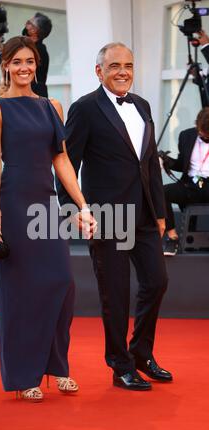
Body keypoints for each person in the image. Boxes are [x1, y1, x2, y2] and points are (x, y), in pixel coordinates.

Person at [0, 36, 97, 402]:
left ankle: (57, 367)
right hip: (14, 201)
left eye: (29, 61)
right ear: (6, 65)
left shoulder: (52, 106)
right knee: (20, 292)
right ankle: (24, 375)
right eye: (16, 62)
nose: (24, 68)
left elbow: (60, 160)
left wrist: (82, 204)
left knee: (62, 283)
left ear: (37, 65)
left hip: (45, 204)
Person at [57, 42, 172, 391]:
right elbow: (66, 163)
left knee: (157, 282)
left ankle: (140, 353)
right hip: (107, 216)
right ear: (99, 71)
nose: (123, 72)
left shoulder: (142, 105)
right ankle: (120, 364)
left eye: (128, 65)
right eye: (114, 66)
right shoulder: (85, 109)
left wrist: (161, 211)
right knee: (116, 294)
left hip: (146, 214)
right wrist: (74, 209)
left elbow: (150, 162)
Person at [162, 107, 209, 256]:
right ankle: (172, 238)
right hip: (191, 185)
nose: (203, 135)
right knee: (162, 192)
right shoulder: (186, 136)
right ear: (197, 125)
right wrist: (167, 161)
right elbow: (182, 164)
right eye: (201, 131)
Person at [0, 12, 52, 97]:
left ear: (34, 30)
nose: (25, 24)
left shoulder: (38, 50)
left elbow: (9, 61)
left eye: (29, 23)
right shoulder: (36, 48)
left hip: (33, 98)